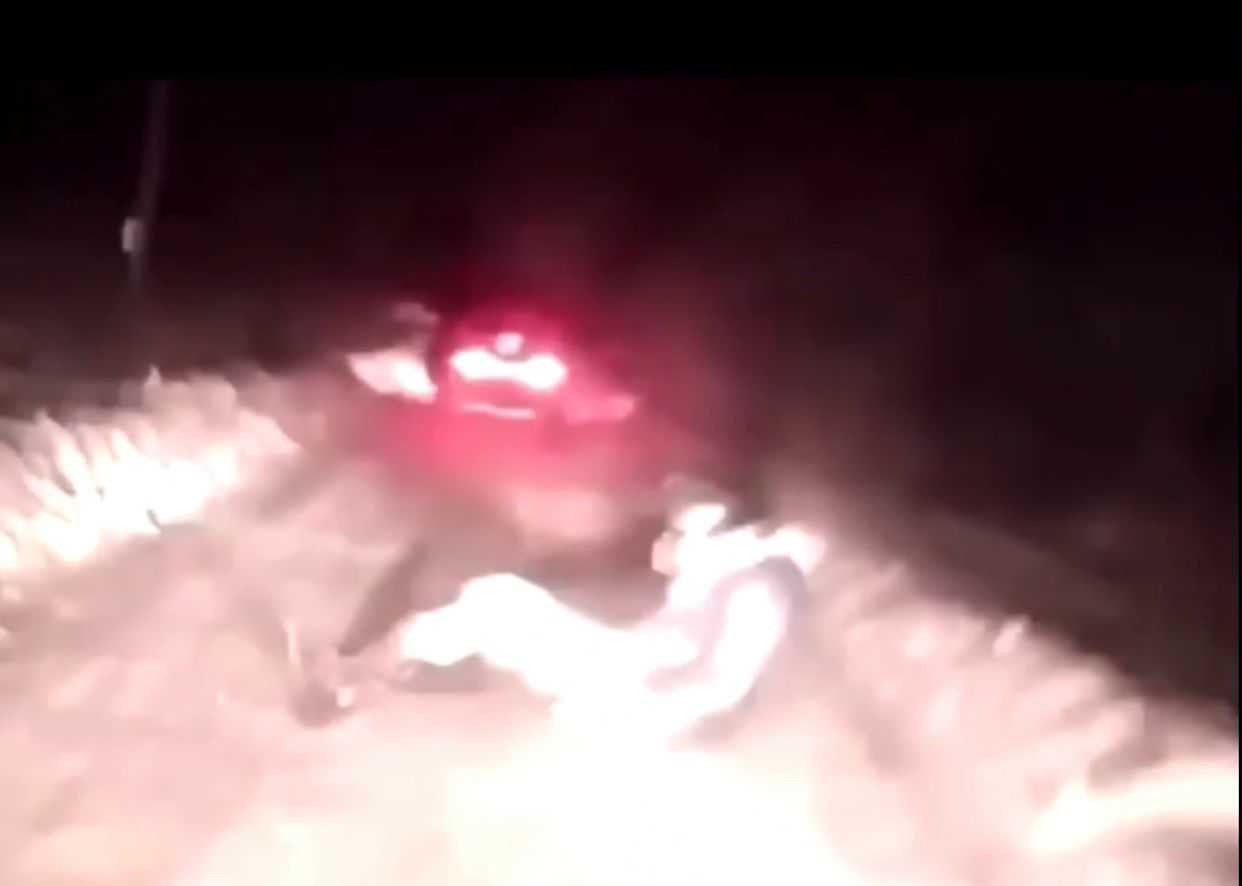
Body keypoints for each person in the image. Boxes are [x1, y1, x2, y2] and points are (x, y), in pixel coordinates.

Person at [380, 483, 826, 742]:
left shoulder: (758, 589)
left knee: (501, 602)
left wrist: (622, 714)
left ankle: (398, 663)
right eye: (678, 525)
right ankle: (403, 655)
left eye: (691, 524)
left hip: (648, 698)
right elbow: (654, 572)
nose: (677, 536)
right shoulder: (718, 557)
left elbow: (718, 687)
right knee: (500, 596)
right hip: (635, 657)